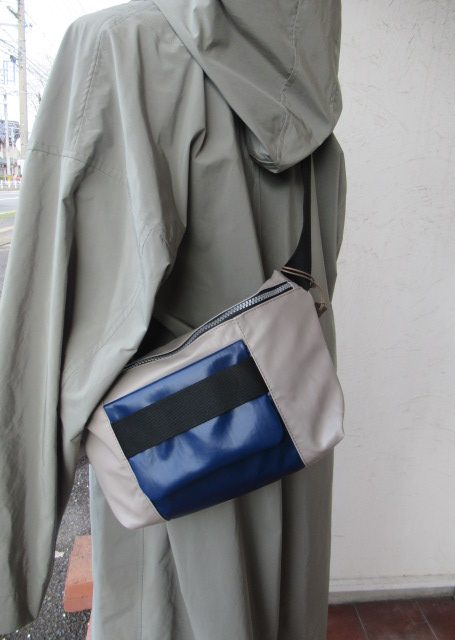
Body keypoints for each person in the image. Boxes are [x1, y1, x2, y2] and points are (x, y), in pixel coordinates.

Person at [0, 0, 346, 638]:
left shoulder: (119, 46)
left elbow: (46, 327)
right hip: (289, 433)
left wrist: (11, 562)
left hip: (173, 474)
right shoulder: (310, 65)